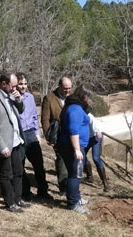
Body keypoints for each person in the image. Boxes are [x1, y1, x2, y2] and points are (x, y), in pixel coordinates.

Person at [0, 71, 31, 213]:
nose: (15, 88)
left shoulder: (11, 95)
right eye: (13, 85)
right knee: (6, 174)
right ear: (3, 83)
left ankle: (18, 199)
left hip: (16, 140)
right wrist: (1, 146)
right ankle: (9, 202)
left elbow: (21, 110)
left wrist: (18, 100)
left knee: (18, 172)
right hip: (4, 143)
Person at [16, 73, 52, 201]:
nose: (23, 86)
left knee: (39, 165)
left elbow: (34, 117)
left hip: (31, 133)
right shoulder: (11, 98)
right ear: (15, 84)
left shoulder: (30, 97)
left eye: (25, 84)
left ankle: (43, 191)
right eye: (20, 84)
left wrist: (37, 133)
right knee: (20, 165)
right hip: (18, 135)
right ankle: (26, 192)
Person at [57, 84, 93, 214]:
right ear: (83, 97)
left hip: (73, 146)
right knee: (75, 175)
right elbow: (73, 131)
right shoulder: (75, 109)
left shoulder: (74, 106)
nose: (90, 101)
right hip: (72, 147)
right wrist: (77, 150)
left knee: (75, 173)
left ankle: (77, 198)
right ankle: (73, 204)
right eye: (88, 98)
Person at [41, 77, 72, 195]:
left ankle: (72, 182)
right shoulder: (49, 98)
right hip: (58, 134)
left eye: (69, 88)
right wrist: (49, 136)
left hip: (72, 133)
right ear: (59, 86)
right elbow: (45, 119)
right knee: (61, 158)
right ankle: (63, 187)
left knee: (71, 158)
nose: (68, 91)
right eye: (65, 89)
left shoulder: (72, 97)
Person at [83, 113, 111, 192]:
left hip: (96, 137)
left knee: (95, 158)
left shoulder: (89, 115)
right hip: (87, 138)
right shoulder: (77, 114)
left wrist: (97, 131)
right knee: (82, 154)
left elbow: (95, 125)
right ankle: (89, 176)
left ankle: (105, 183)